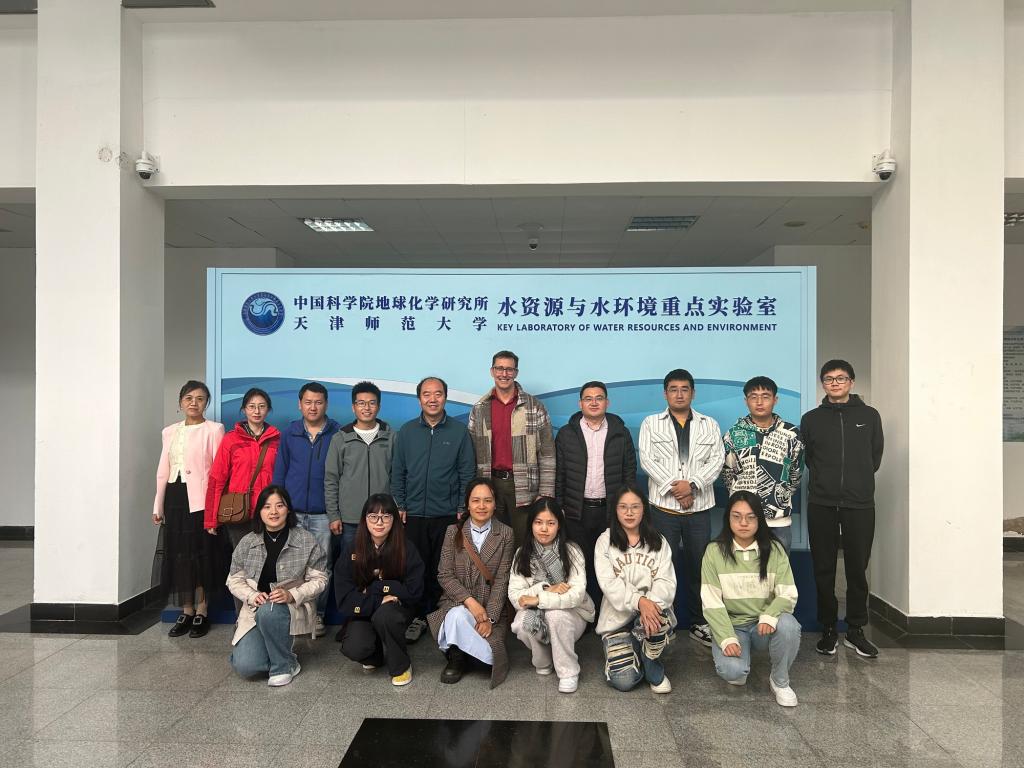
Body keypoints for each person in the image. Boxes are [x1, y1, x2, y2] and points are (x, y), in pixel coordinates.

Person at [800, 359, 883, 659]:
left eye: (841, 378)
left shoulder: (869, 416)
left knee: (857, 569)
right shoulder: (811, 419)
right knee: (823, 568)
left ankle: (856, 629)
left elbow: (875, 457)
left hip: (859, 504)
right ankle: (828, 629)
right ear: (822, 384)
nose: (835, 383)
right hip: (822, 503)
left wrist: (856, 482)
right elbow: (809, 458)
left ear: (851, 382)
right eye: (829, 379)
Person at [638, 368, 724, 647]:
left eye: (684, 389)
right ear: (665, 393)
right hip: (664, 510)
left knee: (700, 567)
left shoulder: (709, 424)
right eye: (673, 389)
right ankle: (666, 620)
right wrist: (677, 489)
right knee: (663, 569)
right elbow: (647, 460)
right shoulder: (651, 423)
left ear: (693, 393)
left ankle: (700, 622)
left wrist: (693, 485)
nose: (679, 394)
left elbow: (717, 460)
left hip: (699, 510)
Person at [391, 376, 476, 643]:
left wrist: (462, 506)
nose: (432, 399)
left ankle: (441, 616)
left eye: (438, 394)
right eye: (427, 394)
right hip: (413, 514)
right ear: (419, 399)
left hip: (447, 514)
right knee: (415, 568)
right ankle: (417, 616)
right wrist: (400, 504)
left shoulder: (459, 432)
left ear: (445, 398)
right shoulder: (406, 432)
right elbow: (397, 471)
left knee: (443, 569)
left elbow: (467, 472)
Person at [701, 491, 801, 707]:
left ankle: (780, 680)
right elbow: (711, 602)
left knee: (789, 626)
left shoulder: (775, 550)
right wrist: (727, 637)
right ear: (728, 518)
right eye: (736, 516)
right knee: (733, 672)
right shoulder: (714, 551)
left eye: (750, 517)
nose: (743, 523)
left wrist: (769, 615)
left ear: (759, 519)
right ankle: (740, 661)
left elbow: (788, 593)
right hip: (733, 625)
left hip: (762, 626)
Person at [226, 485, 328, 687]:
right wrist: (252, 595)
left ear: (288, 510)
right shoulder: (247, 542)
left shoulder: (305, 540)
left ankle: (284, 666)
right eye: (267, 507)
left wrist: (292, 594)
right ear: (259, 512)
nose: (273, 512)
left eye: (279, 506)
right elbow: (233, 580)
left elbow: (320, 580)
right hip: (255, 610)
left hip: (289, 607)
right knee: (246, 667)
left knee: (269, 612)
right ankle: (276, 652)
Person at [554, 380, 636, 614]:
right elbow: (559, 474)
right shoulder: (567, 434)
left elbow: (629, 473)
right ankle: (585, 615)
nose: (593, 403)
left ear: (607, 402)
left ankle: (608, 615)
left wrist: (626, 508)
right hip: (576, 512)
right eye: (588, 399)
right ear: (580, 403)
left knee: (609, 565)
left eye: (599, 398)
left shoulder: (620, 433)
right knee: (580, 565)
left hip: (609, 511)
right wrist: (560, 506)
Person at [152, 380, 225, 639]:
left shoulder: (214, 429)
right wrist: (158, 504)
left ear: (207, 403)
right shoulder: (169, 431)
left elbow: (218, 472)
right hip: (175, 496)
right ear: (180, 402)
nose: (194, 403)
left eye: (200, 398)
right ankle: (186, 609)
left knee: (200, 554)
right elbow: (163, 470)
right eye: (189, 398)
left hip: (201, 500)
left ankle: (202, 610)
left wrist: (215, 509)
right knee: (179, 555)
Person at [427, 478, 514, 688]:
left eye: (487, 500)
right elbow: (444, 575)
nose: (481, 506)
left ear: (495, 504)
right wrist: (471, 603)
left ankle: (470, 652)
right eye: (476, 500)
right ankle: (457, 657)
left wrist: (489, 618)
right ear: (467, 504)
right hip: (458, 603)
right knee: (456, 616)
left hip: (490, 607)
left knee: (492, 656)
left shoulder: (506, 534)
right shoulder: (453, 532)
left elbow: (502, 580)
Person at [271, 381, 341, 638]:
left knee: (322, 566)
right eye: (308, 402)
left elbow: (341, 475)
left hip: (324, 514)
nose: (313, 407)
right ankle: (292, 613)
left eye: (318, 402)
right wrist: (279, 509)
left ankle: (317, 614)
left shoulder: (337, 433)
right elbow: (280, 472)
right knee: (291, 565)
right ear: (300, 404)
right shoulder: (289, 433)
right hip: (294, 512)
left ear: (326, 404)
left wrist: (335, 512)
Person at [467, 350, 556, 548]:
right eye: (499, 368)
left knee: (523, 543)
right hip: (489, 484)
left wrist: (545, 492)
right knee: (492, 543)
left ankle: (520, 570)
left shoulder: (534, 406)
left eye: (509, 369)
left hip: (524, 486)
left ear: (516, 372)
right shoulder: (480, 408)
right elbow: (470, 453)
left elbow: (548, 453)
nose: (504, 374)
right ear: (492, 371)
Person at [595, 483, 677, 693]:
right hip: (617, 619)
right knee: (624, 682)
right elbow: (609, 584)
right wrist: (639, 601)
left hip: (652, 613)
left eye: (635, 507)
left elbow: (666, 582)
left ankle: (650, 660)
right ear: (615, 510)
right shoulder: (605, 541)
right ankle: (634, 648)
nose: (629, 513)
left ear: (644, 509)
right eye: (623, 507)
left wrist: (649, 605)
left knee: (655, 619)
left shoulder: (658, 541)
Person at [335, 494, 424, 686]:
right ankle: (374, 656)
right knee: (355, 647)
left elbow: (415, 591)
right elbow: (344, 598)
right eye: (373, 516)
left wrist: (374, 588)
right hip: (364, 608)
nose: (379, 522)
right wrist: (379, 598)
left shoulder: (406, 548)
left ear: (395, 519)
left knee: (385, 615)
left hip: (396, 610)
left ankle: (401, 666)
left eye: (386, 516)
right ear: (364, 519)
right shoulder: (352, 549)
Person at [508, 498, 595, 694]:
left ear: (559, 525)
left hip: (573, 614)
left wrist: (539, 599)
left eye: (550, 523)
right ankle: (544, 660)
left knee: (555, 616)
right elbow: (516, 597)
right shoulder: (522, 554)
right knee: (521, 623)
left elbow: (576, 594)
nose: (544, 529)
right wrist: (546, 588)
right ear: (531, 524)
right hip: (538, 611)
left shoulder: (571, 551)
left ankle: (568, 671)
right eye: (538, 522)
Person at [721, 376, 804, 552]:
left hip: (778, 522)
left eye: (765, 396)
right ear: (746, 401)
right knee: (742, 567)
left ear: (775, 400)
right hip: (742, 521)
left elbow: (795, 474)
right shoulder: (733, 434)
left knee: (779, 568)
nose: (759, 402)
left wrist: (780, 497)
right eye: (753, 397)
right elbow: (727, 474)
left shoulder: (791, 434)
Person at [205, 388, 281, 550]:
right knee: (243, 559)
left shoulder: (277, 440)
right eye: (251, 406)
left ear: (268, 409)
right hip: (238, 512)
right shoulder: (231, 439)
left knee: (270, 559)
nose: (257, 411)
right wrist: (211, 519)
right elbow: (217, 479)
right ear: (244, 409)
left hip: (269, 511)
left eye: (262, 406)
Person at [325, 381, 393, 552]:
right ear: (353, 407)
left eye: (372, 403)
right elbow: (331, 479)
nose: (366, 408)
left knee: (383, 562)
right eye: (361, 403)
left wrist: (397, 507)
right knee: (351, 562)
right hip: (350, 520)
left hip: (382, 517)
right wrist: (334, 515)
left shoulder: (391, 437)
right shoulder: (340, 439)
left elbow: (398, 476)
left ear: (379, 406)